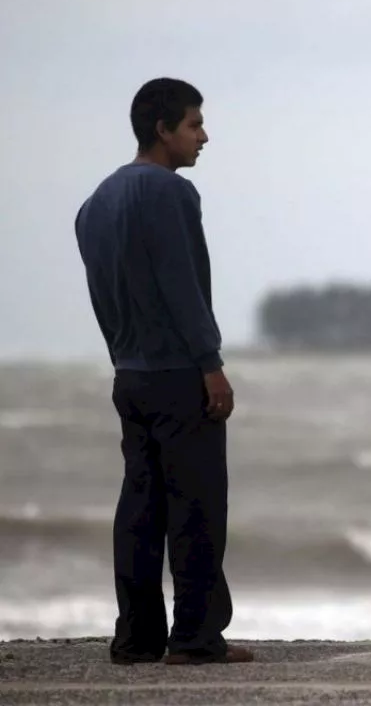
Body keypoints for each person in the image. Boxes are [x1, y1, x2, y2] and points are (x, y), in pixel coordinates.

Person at [74, 78, 252, 666]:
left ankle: (136, 638)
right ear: (162, 129)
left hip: (130, 373)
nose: (204, 136)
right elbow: (184, 285)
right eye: (194, 124)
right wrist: (211, 363)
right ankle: (197, 639)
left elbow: (104, 298)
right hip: (179, 373)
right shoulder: (172, 193)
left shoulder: (93, 205)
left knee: (140, 510)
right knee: (197, 507)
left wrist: (122, 357)